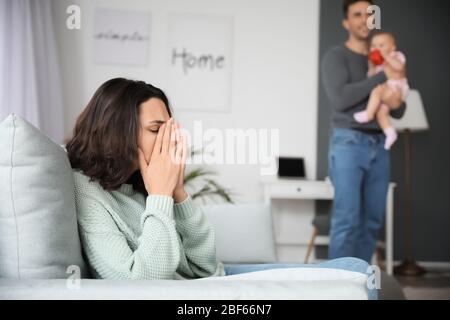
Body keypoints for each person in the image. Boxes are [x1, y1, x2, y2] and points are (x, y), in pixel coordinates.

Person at [66, 78, 378, 299]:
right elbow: (142, 286)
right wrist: (160, 196)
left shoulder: (139, 186)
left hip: (207, 281)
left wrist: (176, 193)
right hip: (192, 292)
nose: (171, 141)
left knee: (355, 269)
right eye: (155, 130)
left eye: (171, 129)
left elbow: (205, 266)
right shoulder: (87, 190)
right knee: (355, 276)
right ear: (118, 132)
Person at [321, 0, 406, 263]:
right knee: (347, 220)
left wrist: (395, 99)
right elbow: (341, 99)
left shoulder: (386, 56)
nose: (364, 19)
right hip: (348, 142)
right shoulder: (337, 56)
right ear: (346, 22)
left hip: (380, 145)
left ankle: (357, 284)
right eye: (357, 14)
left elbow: (399, 111)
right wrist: (383, 77)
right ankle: (337, 287)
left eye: (369, 13)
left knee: (371, 221)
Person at [353, 31, 410, 150]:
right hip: (387, 92)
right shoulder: (379, 63)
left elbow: (399, 67)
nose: (377, 48)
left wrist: (387, 56)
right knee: (381, 113)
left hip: (397, 88)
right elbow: (371, 77)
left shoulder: (396, 56)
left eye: (382, 45)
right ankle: (390, 133)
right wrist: (372, 66)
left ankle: (368, 114)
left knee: (376, 91)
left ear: (392, 47)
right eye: (374, 45)